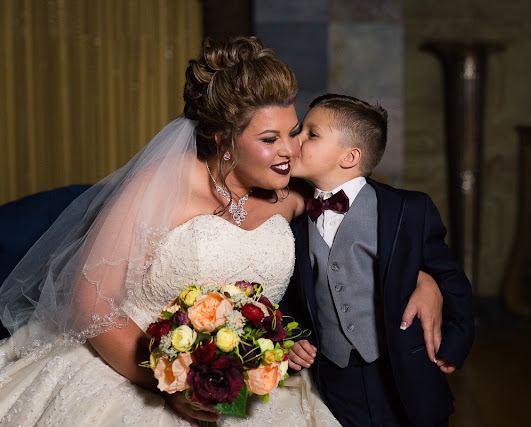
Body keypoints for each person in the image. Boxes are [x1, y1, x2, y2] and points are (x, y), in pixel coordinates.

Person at [0, 37, 443, 426]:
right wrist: (167, 385)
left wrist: (422, 278)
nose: (291, 150)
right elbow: (87, 301)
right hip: (128, 364)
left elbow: (368, 226)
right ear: (222, 140)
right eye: (270, 139)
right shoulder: (165, 184)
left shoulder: (292, 193)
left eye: (292, 131)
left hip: (249, 381)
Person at [283, 94, 475, 426]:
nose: (295, 140)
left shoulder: (408, 210)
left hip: (400, 367)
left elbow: (450, 278)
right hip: (332, 371)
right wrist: (292, 333)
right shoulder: (293, 215)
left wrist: (456, 343)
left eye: (310, 134)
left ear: (350, 156)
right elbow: (288, 293)